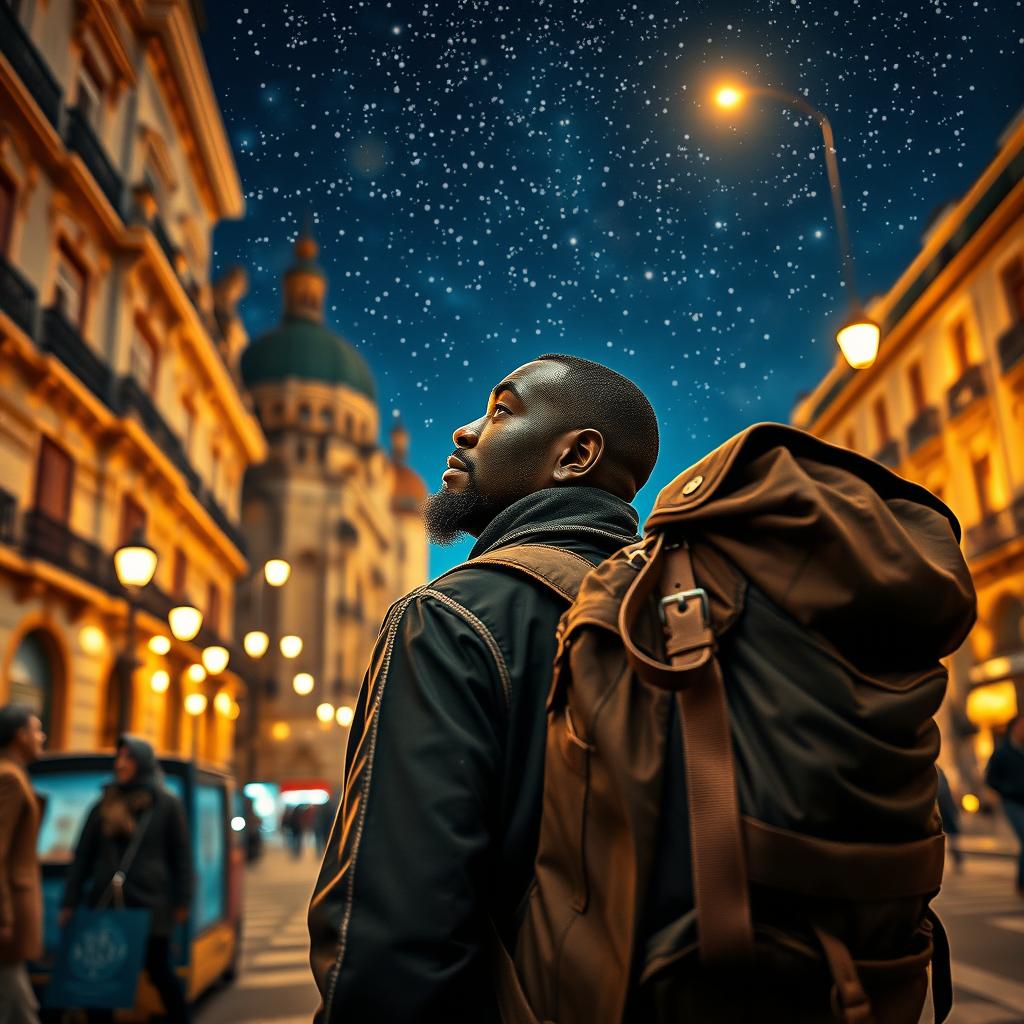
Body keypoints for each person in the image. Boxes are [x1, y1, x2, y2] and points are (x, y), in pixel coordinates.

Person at [308, 354, 657, 1022]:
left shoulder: (451, 618)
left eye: (500, 411)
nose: (465, 432)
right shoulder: (679, 613)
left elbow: (393, 943)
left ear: (576, 455)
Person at [59, 736, 193, 1023]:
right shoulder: (104, 804)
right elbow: (82, 856)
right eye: (119, 758)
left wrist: (183, 900)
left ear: (143, 763)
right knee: (101, 977)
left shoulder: (166, 804)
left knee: (159, 971)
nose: (120, 765)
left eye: (129, 758)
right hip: (106, 903)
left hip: (150, 906)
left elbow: (181, 856)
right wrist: (69, 902)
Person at [0, 705, 46, 1024]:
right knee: (17, 1003)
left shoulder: (13, 773)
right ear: (20, 735)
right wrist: (3, 914)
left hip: (13, 908)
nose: (42, 737)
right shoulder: (9, 778)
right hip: (10, 910)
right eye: (37, 729)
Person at [985, 714, 1024, 896]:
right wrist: (1006, 790)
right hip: (1011, 801)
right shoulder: (1002, 752)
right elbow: (990, 779)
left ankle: (1021, 881)